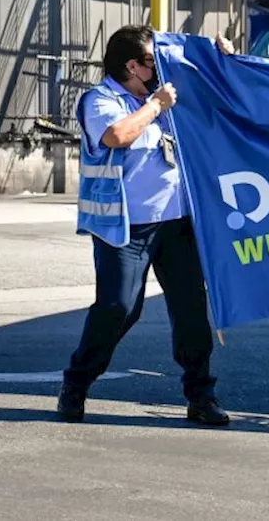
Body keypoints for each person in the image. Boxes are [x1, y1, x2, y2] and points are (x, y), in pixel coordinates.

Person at [58, 25, 236, 426]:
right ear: (131, 66)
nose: (160, 69)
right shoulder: (101, 100)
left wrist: (219, 54)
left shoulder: (170, 96)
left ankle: (201, 395)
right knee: (119, 308)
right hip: (126, 228)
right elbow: (118, 135)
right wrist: (156, 105)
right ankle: (76, 383)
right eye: (152, 62)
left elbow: (213, 87)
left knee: (191, 311)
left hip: (176, 224)